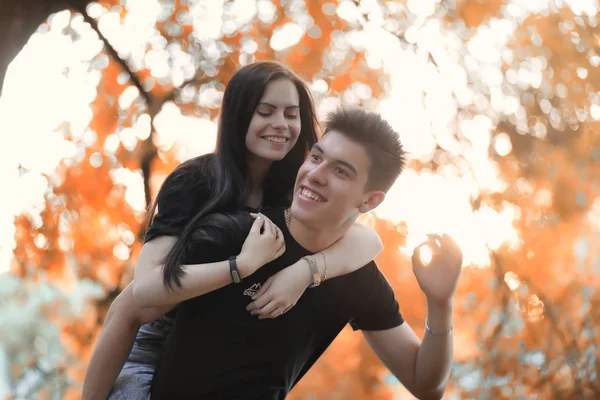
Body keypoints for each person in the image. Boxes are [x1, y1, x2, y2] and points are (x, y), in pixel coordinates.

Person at [82, 62, 383, 400]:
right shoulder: (195, 181)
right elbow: (144, 292)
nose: (280, 125)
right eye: (265, 112)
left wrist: (305, 271)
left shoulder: (296, 188)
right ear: (239, 115)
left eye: (291, 114)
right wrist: (240, 267)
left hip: (222, 354)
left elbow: (369, 239)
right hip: (159, 342)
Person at [149, 107, 463, 399]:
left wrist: (440, 303)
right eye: (315, 157)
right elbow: (139, 303)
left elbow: (426, 385)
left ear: (369, 201)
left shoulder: (357, 279)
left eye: (341, 172)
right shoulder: (239, 234)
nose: (315, 174)